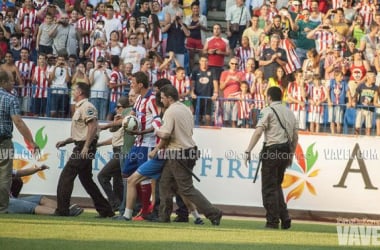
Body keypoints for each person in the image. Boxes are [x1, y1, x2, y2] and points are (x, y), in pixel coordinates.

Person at [155, 84, 222, 225]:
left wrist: (156, 131)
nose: (161, 101)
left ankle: (214, 213)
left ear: (169, 98)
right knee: (165, 184)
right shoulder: (185, 109)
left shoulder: (170, 112)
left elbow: (166, 134)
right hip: (189, 150)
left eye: (162, 98)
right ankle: (163, 216)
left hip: (177, 153)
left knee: (186, 189)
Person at [55, 82, 114, 217]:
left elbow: (92, 127)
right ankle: (106, 210)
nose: (72, 92)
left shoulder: (87, 107)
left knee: (66, 176)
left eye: (74, 90)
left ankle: (62, 210)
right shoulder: (82, 107)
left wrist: (86, 147)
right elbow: (83, 131)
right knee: (87, 181)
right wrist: (66, 141)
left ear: (80, 92)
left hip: (84, 147)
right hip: (84, 145)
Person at [244, 86, 298, 229]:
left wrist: (248, 150)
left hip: (272, 151)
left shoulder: (267, 111)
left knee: (269, 188)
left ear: (269, 97)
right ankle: (285, 217)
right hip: (285, 151)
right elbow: (295, 137)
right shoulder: (290, 112)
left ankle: (272, 221)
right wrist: (291, 154)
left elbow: (258, 132)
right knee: (276, 186)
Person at [0, 70, 39, 213]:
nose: (13, 83)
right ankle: (2, 207)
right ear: (3, 82)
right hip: (3, 142)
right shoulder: (10, 98)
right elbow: (18, 122)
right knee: (4, 175)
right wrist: (32, 142)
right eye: (11, 81)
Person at [9, 165, 83, 216]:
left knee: (40, 198)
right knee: (31, 206)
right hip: (4, 203)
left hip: (11, 199)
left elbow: (20, 172)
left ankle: (66, 209)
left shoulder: (4, 168)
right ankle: (58, 213)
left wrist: (37, 169)